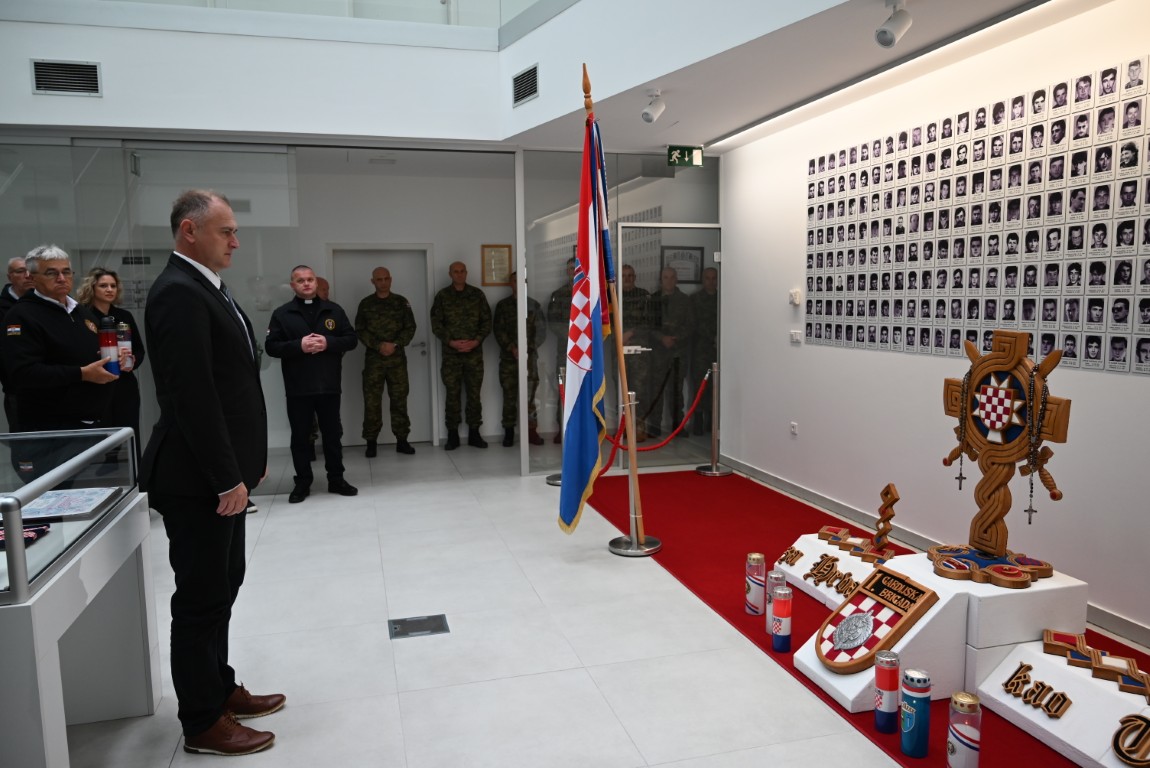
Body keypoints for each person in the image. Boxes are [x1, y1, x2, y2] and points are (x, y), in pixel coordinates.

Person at [139, 190, 281, 756]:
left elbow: (234, 382)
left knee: (225, 584)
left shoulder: (207, 287)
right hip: (196, 479)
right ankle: (201, 721)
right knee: (200, 598)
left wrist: (248, 461)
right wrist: (226, 476)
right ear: (189, 231)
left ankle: (219, 688)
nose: (236, 242)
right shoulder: (178, 292)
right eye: (227, 231)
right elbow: (192, 396)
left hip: (221, 473)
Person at [1, 244, 117, 448]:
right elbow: (22, 373)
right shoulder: (21, 315)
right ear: (32, 278)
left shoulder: (81, 312)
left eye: (66, 272)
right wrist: (81, 374)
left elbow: (89, 352)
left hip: (92, 423)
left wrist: (114, 358)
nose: (62, 278)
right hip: (50, 430)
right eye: (51, 273)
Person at [266, 265, 359, 503]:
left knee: (332, 435)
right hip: (298, 387)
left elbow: (351, 339)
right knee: (300, 438)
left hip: (329, 385)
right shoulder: (282, 314)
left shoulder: (334, 310)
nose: (306, 283)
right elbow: (271, 347)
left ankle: (336, 479)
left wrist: (328, 343)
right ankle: (302, 482)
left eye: (310, 279)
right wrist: (299, 346)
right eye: (301, 280)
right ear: (293, 285)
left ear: (316, 283)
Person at [77, 267, 147, 464]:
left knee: (129, 429)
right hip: (96, 384)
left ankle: (134, 470)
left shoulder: (124, 316)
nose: (109, 290)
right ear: (92, 288)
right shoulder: (82, 316)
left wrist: (130, 361)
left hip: (124, 383)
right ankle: (105, 466)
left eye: (113, 286)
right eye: (103, 286)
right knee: (101, 433)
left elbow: (139, 350)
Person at [355, 267, 417, 457]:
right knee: (372, 402)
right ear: (372, 281)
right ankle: (371, 442)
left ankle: (402, 441)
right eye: (379, 279)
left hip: (397, 361)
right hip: (374, 361)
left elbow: (410, 327)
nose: (383, 282)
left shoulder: (401, 302)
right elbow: (360, 329)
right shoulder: (366, 304)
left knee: (399, 401)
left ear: (391, 279)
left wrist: (395, 344)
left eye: (386, 278)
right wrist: (378, 345)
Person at [430, 261, 492, 450]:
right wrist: (451, 342)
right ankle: (452, 435)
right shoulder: (442, 296)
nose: (459, 274)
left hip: (474, 354)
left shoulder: (477, 295)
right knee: (452, 395)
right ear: (450, 274)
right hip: (451, 355)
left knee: (474, 395)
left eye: (462, 271)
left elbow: (486, 321)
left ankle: (474, 433)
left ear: (466, 272)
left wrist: (476, 341)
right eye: (455, 271)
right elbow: (436, 324)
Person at [493, 271, 545, 447]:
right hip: (509, 359)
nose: (518, 283)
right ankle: (508, 432)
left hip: (529, 358)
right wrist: (512, 348)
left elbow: (541, 331)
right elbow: (498, 330)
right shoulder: (503, 306)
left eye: (522, 280)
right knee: (509, 396)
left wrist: (527, 349)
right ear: (511, 283)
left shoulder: (534, 305)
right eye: (515, 281)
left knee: (530, 396)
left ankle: (532, 431)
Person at [648, 267, 693, 438]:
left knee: (676, 390)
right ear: (661, 280)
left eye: (672, 277)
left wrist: (676, 338)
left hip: (678, 351)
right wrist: (662, 338)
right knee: (656, 389)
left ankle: (677, 425)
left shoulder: (685, 300)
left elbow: (691, 325)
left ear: (676, 279)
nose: (669, 280)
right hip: (658, 351)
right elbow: (647, 325)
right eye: (665, 277)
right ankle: (654, 426)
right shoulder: (653, 300)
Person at [0, 254, 35, 430]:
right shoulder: (2, 308)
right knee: (24, 440)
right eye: (21, 271)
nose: (27, 275)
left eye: (30, 271)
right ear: (10, 277)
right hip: (16, 388)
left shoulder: (44, 303)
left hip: (50, 385)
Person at [546, 257, 576, 443]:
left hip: (586, 352)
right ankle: (562, 428)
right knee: (564, 387)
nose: (574, 271)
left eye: (577, 268)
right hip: (565, 349)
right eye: (571, 268)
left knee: (585, 388)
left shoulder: (590, 293)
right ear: (567, 272)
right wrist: (571, 336)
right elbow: (553, 322)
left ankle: (584, 430)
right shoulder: (558, 295)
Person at [690, 267, 718, 436]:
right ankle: (698, 420)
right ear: (702, 280)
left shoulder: (723, 298)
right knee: (700, 384)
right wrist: (712, 336)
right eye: (707, 278)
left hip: (718, 349)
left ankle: (712, 420)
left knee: (717, 385)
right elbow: (693, 324)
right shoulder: (695, 299)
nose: (711, 281)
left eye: (714, 278)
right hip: (700, 348)